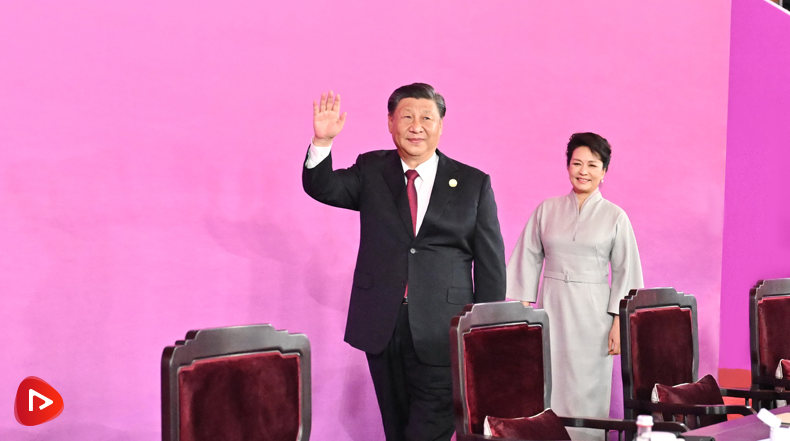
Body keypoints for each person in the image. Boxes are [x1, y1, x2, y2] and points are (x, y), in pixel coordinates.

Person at [302, 83, 506, 441]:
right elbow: (323, 187)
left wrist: (484, 333)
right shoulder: (372, 169)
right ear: (390, 123)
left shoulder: (473, 183)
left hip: (445, 329)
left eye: (427, 118)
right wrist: (322, 141)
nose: (416, 126)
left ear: (440, 125)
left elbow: (491, 265)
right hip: (383, 325)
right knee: (396, 429)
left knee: (429, 428)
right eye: (407, 117)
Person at [506, 132, 643, 441]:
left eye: (593, 165)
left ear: (604, 171)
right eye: (577, 163)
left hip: (594, 315)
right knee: (549, 382)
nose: (584, 171)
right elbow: (527, 258)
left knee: (588, 386)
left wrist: (618, 323)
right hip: (551, 307)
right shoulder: (547, 209)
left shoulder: (615, 216)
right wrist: (523, 315)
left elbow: (627, 271)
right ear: (567, 165)